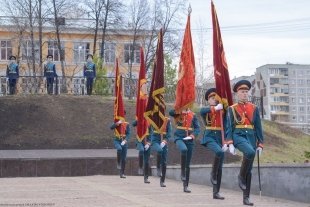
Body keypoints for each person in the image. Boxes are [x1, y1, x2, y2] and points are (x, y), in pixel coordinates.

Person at [226, 80, 264, 206]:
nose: (245, 94)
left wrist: (260, 143)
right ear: (237, 94)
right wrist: (230, 143)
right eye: (242, 92)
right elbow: (229, 127)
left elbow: (258, 127)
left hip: (251, 137)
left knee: (250, 169)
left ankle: (246, 198)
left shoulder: (254, 108)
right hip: (238, 135)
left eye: (246, 92)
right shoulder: (232, 109)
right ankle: (240, 176)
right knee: (249, 152)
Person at [200, 88, 228, 200]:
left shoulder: (222, 111)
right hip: (210, 137)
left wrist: (227, 141)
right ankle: (212, 173)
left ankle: (216, 192)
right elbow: (202, 111)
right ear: (208, 100)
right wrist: (215, 108)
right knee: (219, 152)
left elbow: (226, 126)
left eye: (216, 98)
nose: (214, 100)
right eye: (212, 98)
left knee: (220, 167)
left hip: (220, 138)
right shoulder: (206, 110)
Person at [169, 108, 200, 193]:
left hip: (189, 140)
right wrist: (180, 110)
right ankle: (182, 172)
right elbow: (171, 112)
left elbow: (197, 128)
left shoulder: (193, 115)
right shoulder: (178, 112)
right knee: (183, 149)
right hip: (179, 137)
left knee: (188, 164)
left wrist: (192, 136)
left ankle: (185, 186)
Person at [150, 116, 171, 187]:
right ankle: (158, 167)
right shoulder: (154, 119)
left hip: (163, 141)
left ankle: (162, 181)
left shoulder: (167, 120)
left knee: (164, 162)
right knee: (159, 150)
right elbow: (151, 128)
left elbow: (169, 132)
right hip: (155, 140)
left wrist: (165, 140)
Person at [110, 114, 131, 178]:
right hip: (117, 140)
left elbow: (128, 133)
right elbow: (111, 127)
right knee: (119, 149)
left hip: (124, 142)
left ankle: (122, 173)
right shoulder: (116, 122)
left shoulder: (126, 124)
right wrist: (117, 123)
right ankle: (118, 163)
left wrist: (125, 140)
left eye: (123, 114)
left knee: (124, 159)